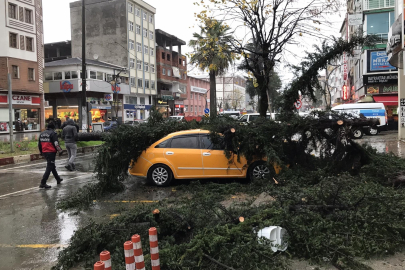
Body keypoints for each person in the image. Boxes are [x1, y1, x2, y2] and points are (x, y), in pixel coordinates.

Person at [38, 122, 63, 189]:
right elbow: (56, 143)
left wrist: (41, 152)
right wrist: (60, 150)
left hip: (45, 152)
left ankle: (58, 179)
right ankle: (43, 183)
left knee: (52, 165)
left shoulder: (42, 133)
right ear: (53, 127)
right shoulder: (53, 133)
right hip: (51, 152)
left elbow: (39, 144)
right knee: (49, 167)